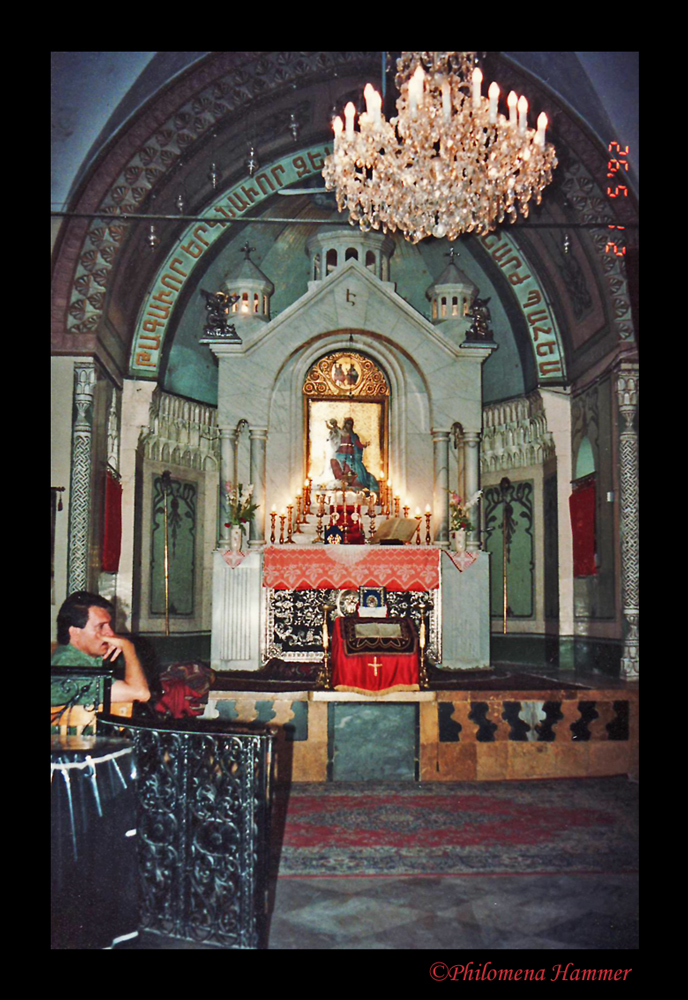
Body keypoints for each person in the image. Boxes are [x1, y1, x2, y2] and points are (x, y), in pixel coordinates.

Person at [52, 591, 151, 704]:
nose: (110, 632)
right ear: (75, 632)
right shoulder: (70, 664)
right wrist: (128, 647)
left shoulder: (83, 658)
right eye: (101, 626)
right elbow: (141, 694)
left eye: (109, 625)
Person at [333, 417, 379, 491]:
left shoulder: (353, 435)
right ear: (345, 424)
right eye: (348, 424)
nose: (349, 426)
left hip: (350, 456)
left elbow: (358, 444)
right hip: (340, 455)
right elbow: (334, 441)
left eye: (350, 424)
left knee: (359, 468)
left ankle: (360, 484)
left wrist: (364, 445)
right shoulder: (339, 433)